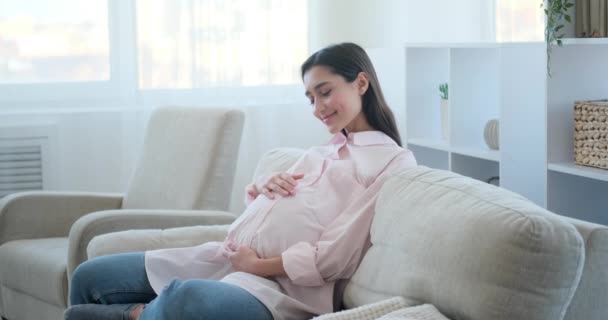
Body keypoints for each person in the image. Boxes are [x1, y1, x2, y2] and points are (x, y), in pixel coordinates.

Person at [64, 42, 417, 320]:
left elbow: (337, 255)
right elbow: (273, 208)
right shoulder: (321, 151)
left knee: (186, 299)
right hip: (223, 258)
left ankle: (140, 315)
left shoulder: (392, 162)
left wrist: (257, 265)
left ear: (361, 82)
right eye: (310, 98)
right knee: (88, 276)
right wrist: (265, 187)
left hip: (277, 287)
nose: (317, 107)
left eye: (325, 92)